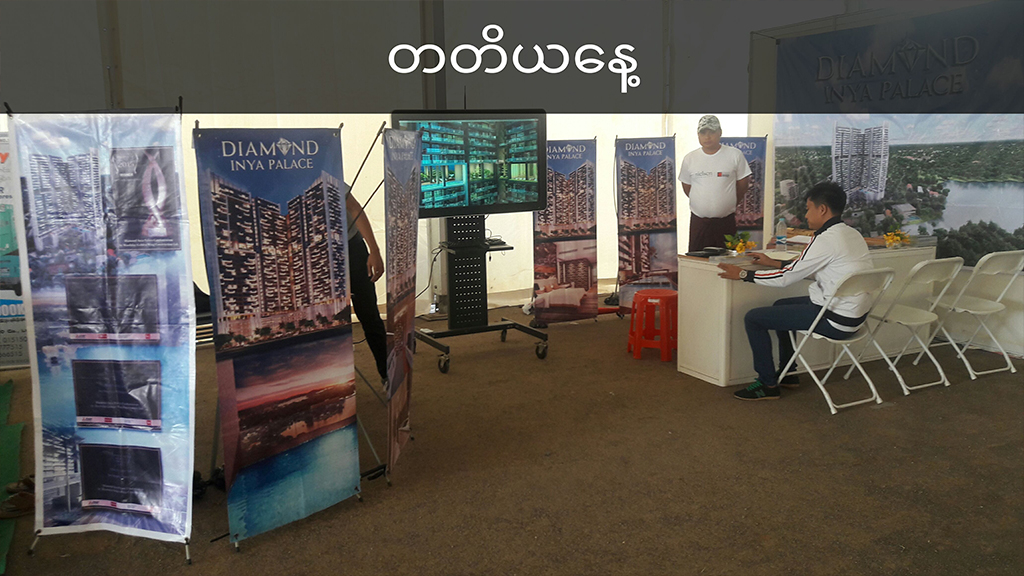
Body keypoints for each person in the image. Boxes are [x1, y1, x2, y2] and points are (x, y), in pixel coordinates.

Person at [717, 182, 873, 401]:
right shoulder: (851, 234)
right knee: (780, 306)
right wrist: (773, 263)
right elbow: (806, 268)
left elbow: (786, 279)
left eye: (809, 209)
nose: (806, 215)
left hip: (835, 320)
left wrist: (744, 274)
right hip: (855, 316)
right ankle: (789, 373)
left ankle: (767, 384)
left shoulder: (825, 239)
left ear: (822, 209)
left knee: (753, 318)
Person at [679, 115, 752, 250]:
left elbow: (743, 185)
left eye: (711, 132)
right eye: (703, 133)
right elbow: (687, 187)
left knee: (727, 261)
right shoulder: (690, 158)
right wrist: (703, 202)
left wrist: (728, 201)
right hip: (699, 223)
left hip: (725, 223)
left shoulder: (734, 155)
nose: (707, 137)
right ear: (698, 135)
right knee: (697, 260)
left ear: (720, 133)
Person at [346, 188, 388, 386]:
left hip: (352, 248)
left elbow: (355, 209)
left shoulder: (328, 174)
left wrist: (374, 251)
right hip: (314, 253)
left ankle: (387, 374)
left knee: (369, 314)